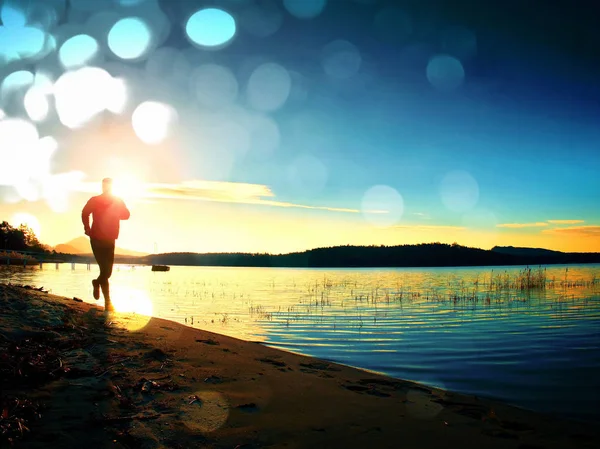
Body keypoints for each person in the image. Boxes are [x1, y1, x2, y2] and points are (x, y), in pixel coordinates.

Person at [81, 178, 130, 308]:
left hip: (110, 238)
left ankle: (96, 283)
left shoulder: (117, 200)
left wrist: (116, 211)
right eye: (104, 186)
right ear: (102, 187)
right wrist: (87, 227)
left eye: (108, 186)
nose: (106, 188)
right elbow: (85, 213)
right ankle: (108, 303)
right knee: (104, 269)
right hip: (96, 237)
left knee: (107, 272)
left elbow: (126, 215)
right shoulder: (95, 200)